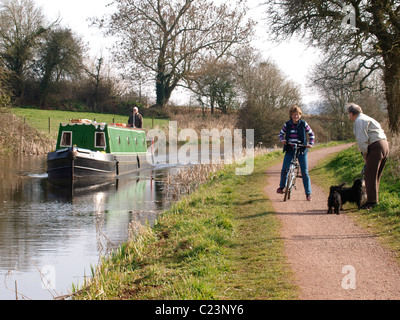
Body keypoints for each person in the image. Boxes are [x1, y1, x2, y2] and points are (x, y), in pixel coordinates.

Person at [347, 103, 389, 209]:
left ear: (352, 114)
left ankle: (371, 202)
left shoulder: (359, 121)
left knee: (369, 175)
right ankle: (374, 199)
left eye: (349, 114)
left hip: (375, 147)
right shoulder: (367, 118)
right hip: (384, 144)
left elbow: (362, 141)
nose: (349, 116)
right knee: (376, 175)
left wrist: (365, 155)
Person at [277, 105, 315, 201]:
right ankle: (281, 187)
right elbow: (281, 133)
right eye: (294, 115)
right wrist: (283, 140)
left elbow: (311, 134)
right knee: (285, 169)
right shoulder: (287, 124)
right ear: (291, 115)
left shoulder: (303, 124)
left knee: (304, 172)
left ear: (300, 115)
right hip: (290, 149)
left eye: (297, 115)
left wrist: (310, 144)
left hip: (302, 150)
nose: (296, 117)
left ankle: (308, 193)